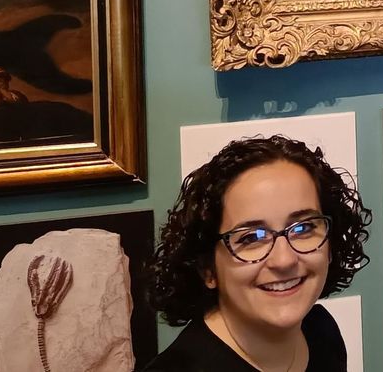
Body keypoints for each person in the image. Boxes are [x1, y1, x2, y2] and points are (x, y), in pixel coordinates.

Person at [145, 136, 370, 371]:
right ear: (207, 269)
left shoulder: (321, 331)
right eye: (251, 238)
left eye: (303, 228)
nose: (284, 260)